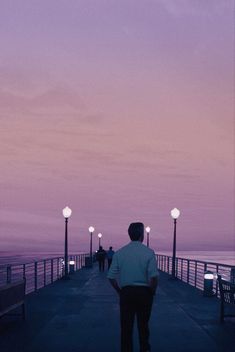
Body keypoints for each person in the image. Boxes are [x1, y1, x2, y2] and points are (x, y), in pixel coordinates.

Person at [107, 222, 159, 352]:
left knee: (126, 327)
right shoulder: (149, 253)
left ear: (129, 235)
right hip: (144, 293)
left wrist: (119, 291)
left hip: (126, 293)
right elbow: (154, 277)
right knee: (143, 325)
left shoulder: (120, 253)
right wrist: (152, 292)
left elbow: (111, 276)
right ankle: (144, 348)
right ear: (142, 235)